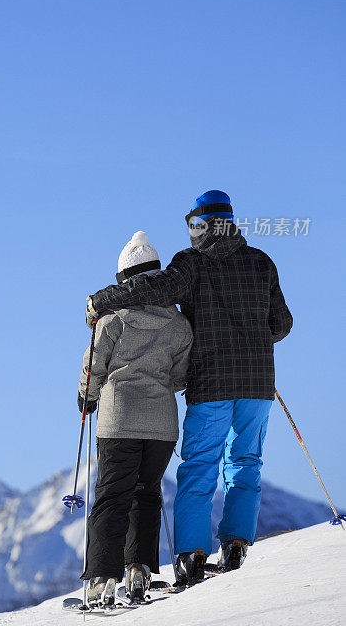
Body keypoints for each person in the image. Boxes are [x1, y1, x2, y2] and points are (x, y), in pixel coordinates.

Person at [86, 191, 293, 585]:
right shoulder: (261, 263)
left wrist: (100, 301)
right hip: (257, 381)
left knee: (200, 466)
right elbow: (281, 323)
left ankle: (192, 556)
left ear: (199, 224)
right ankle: (235, 543)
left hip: (211, 381)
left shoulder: (191, 264)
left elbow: (149, 290)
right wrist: (250, 336)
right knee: (246, 462)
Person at [78, 231, 193, 607]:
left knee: (111, 498)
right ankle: (139, 570)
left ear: (123, 279)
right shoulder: (179, 326)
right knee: (147, 495)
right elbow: (179, 377)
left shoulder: (113, 322)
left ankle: (101, 579)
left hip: (117, 420)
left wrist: (86, 399)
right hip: (161, 425)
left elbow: (93, 367)